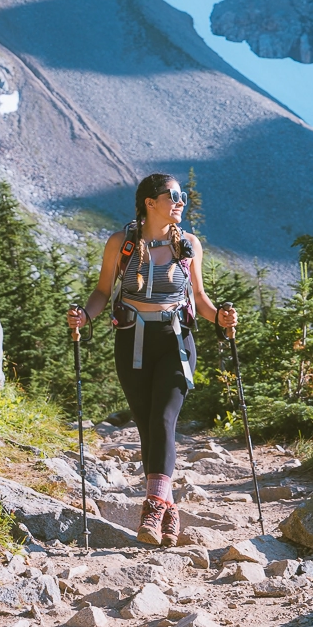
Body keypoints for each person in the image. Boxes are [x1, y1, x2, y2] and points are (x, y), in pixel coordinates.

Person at [67, 172, 237, 547]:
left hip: (177, 343)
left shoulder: (188, 245)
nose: (180, 202)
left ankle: (153, 507)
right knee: (148, 426)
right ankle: (170, 507)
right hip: (132, 342)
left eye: (183, 197)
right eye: (173, 196)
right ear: (150, 202)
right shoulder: (121, 243)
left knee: (163, 418)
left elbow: (201, 298)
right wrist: (85, 316)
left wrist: (219, 318)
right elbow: (101, 291)